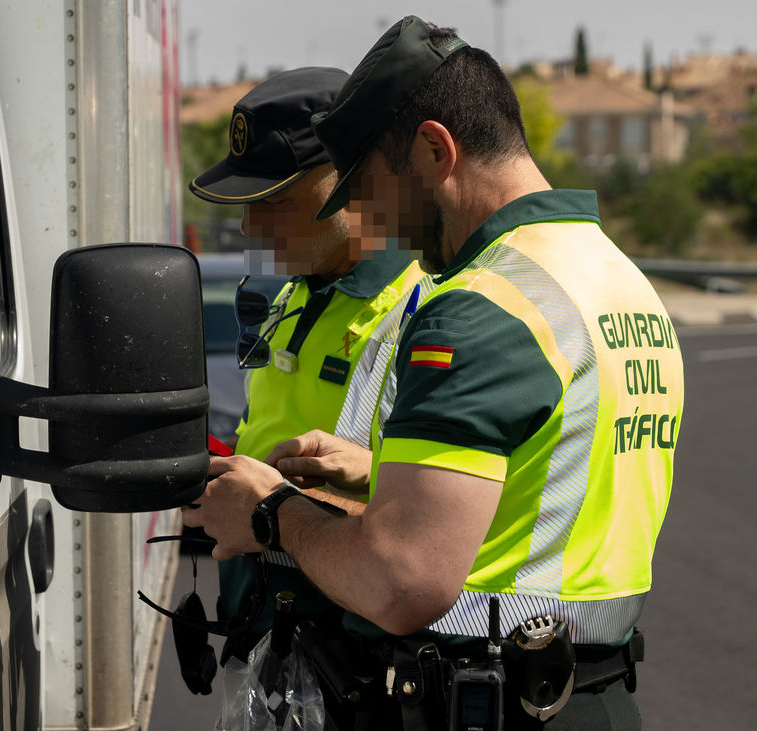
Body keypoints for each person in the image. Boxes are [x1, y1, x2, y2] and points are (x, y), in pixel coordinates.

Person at [184, 17, 683, 730]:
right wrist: (384, 474)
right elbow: (548, 491)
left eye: (369, 186)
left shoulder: (482, 308)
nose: (370, 216)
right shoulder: (615, 279)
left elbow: (400, 580)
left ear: (434, 149)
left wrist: (271, 511)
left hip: (483, 700)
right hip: (589, 695)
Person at [188, 68, 430, 663]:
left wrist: (267, 512)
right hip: (269, 641)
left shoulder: (429, 311)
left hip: (358, 662)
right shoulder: (293, 294)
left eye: (274, 202)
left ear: (355, 178)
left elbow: (441, 538)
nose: (250, 227)